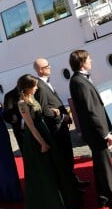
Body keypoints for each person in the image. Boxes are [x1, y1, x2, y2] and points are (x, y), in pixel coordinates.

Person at [68, 50, 112, 209]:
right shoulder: (78, 81)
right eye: (88, 59)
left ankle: (103, 197)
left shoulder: (79, 80)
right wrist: (105, 133)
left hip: (94, 131)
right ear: (82, 62)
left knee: (100, 165)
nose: (91, 60)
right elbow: (91, 110)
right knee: (105, 167)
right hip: (96, 132)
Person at [19, 74, 81, 209]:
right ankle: (50, 203)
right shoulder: (22, 103)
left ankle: (64, 198)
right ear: (27, 87)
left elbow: (41, 114)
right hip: (36, 139)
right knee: (44, 171)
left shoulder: (32, 98)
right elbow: (31, 126)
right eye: (34, 86)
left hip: (45, 131)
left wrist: (54, 111)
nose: (36, 88)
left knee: (55, 166)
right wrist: (42, 143)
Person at [33, 57, 89, 190]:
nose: (50, 67)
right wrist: (62, 116)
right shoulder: (40, 87)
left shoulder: (46, 83)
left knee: (68, 156)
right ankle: (70, 186)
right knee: (64, 158)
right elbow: (44, 110)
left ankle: (73, 181)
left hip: (61, 126)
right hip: (56, 128)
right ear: (40, 70)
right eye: (47, 66)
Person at [3, 85, 24, 153]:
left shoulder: (29, 93)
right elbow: (7, 115)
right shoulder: (9, 96)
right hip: (20, 130)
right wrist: (12, 117)